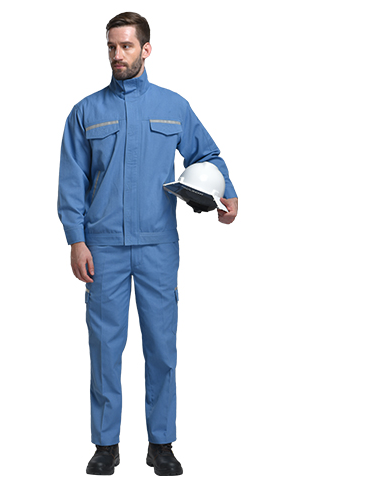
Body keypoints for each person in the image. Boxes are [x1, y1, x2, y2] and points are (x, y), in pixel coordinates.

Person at [58, 12, 238, 476]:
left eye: (126, 46)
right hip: (103, 247)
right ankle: (106, 445)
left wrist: (228, 191)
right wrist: (76, 240)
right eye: (111, 47)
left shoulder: (173, 106)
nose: (117, 55)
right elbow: (71, 183)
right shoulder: (85, 112)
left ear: (146, 49)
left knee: (161, 346)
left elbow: (207, 153)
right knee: (105, 347)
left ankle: (161, 443)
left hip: (158, 245)